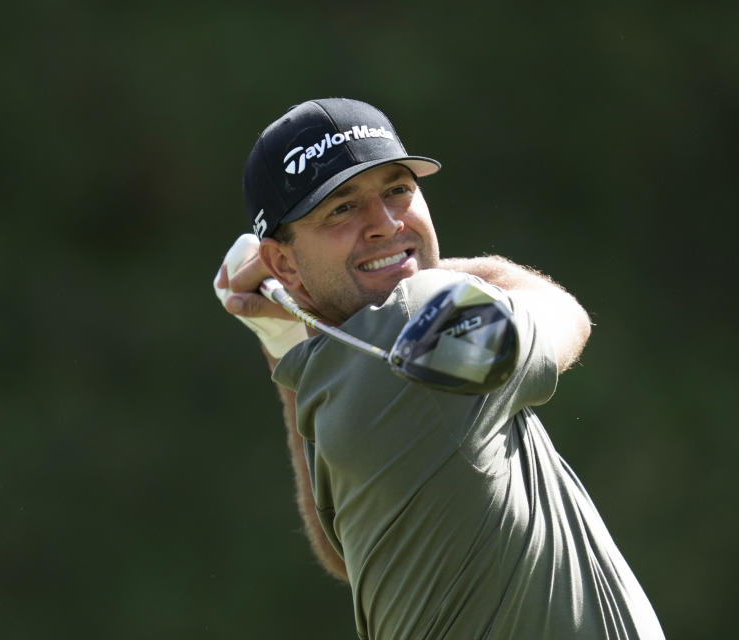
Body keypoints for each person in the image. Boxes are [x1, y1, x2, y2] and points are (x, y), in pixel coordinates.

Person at [213, 98, 665, 639]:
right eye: (341, 209)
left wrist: (286, 332)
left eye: (398, 190)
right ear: (283, 261)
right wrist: (428, 272)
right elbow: (566, 313)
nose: (383, 222)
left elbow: (344, 556)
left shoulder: (351, 364)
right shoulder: (417, 319)